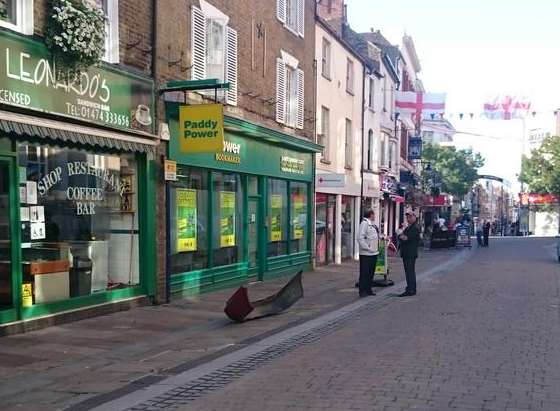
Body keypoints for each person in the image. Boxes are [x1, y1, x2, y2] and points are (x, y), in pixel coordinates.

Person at [357, 209, 380, 298]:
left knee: (371, 272)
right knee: (364, 273)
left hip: (374, 253)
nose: (374, 216)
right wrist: (368, 247)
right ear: (370, 215)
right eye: (373, 215)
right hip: (366, 254)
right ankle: (362, 291)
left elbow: (373, 236)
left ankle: (368, 289)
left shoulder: (372, 224)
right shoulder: (364, 223)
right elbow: (360, 237)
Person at [398, 210, 421, 297]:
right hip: (407, 253)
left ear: (415, 217)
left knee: (410, 272)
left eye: (410, 217)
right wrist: (401, 235)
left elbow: (405, 238)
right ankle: (411, 288)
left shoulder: (414, 228)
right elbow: (402, 237)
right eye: (407, 217)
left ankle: (411, 290)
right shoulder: (409, 227)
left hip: (410, 253)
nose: (408, 218)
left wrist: (400, 234)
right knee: (409, 271)